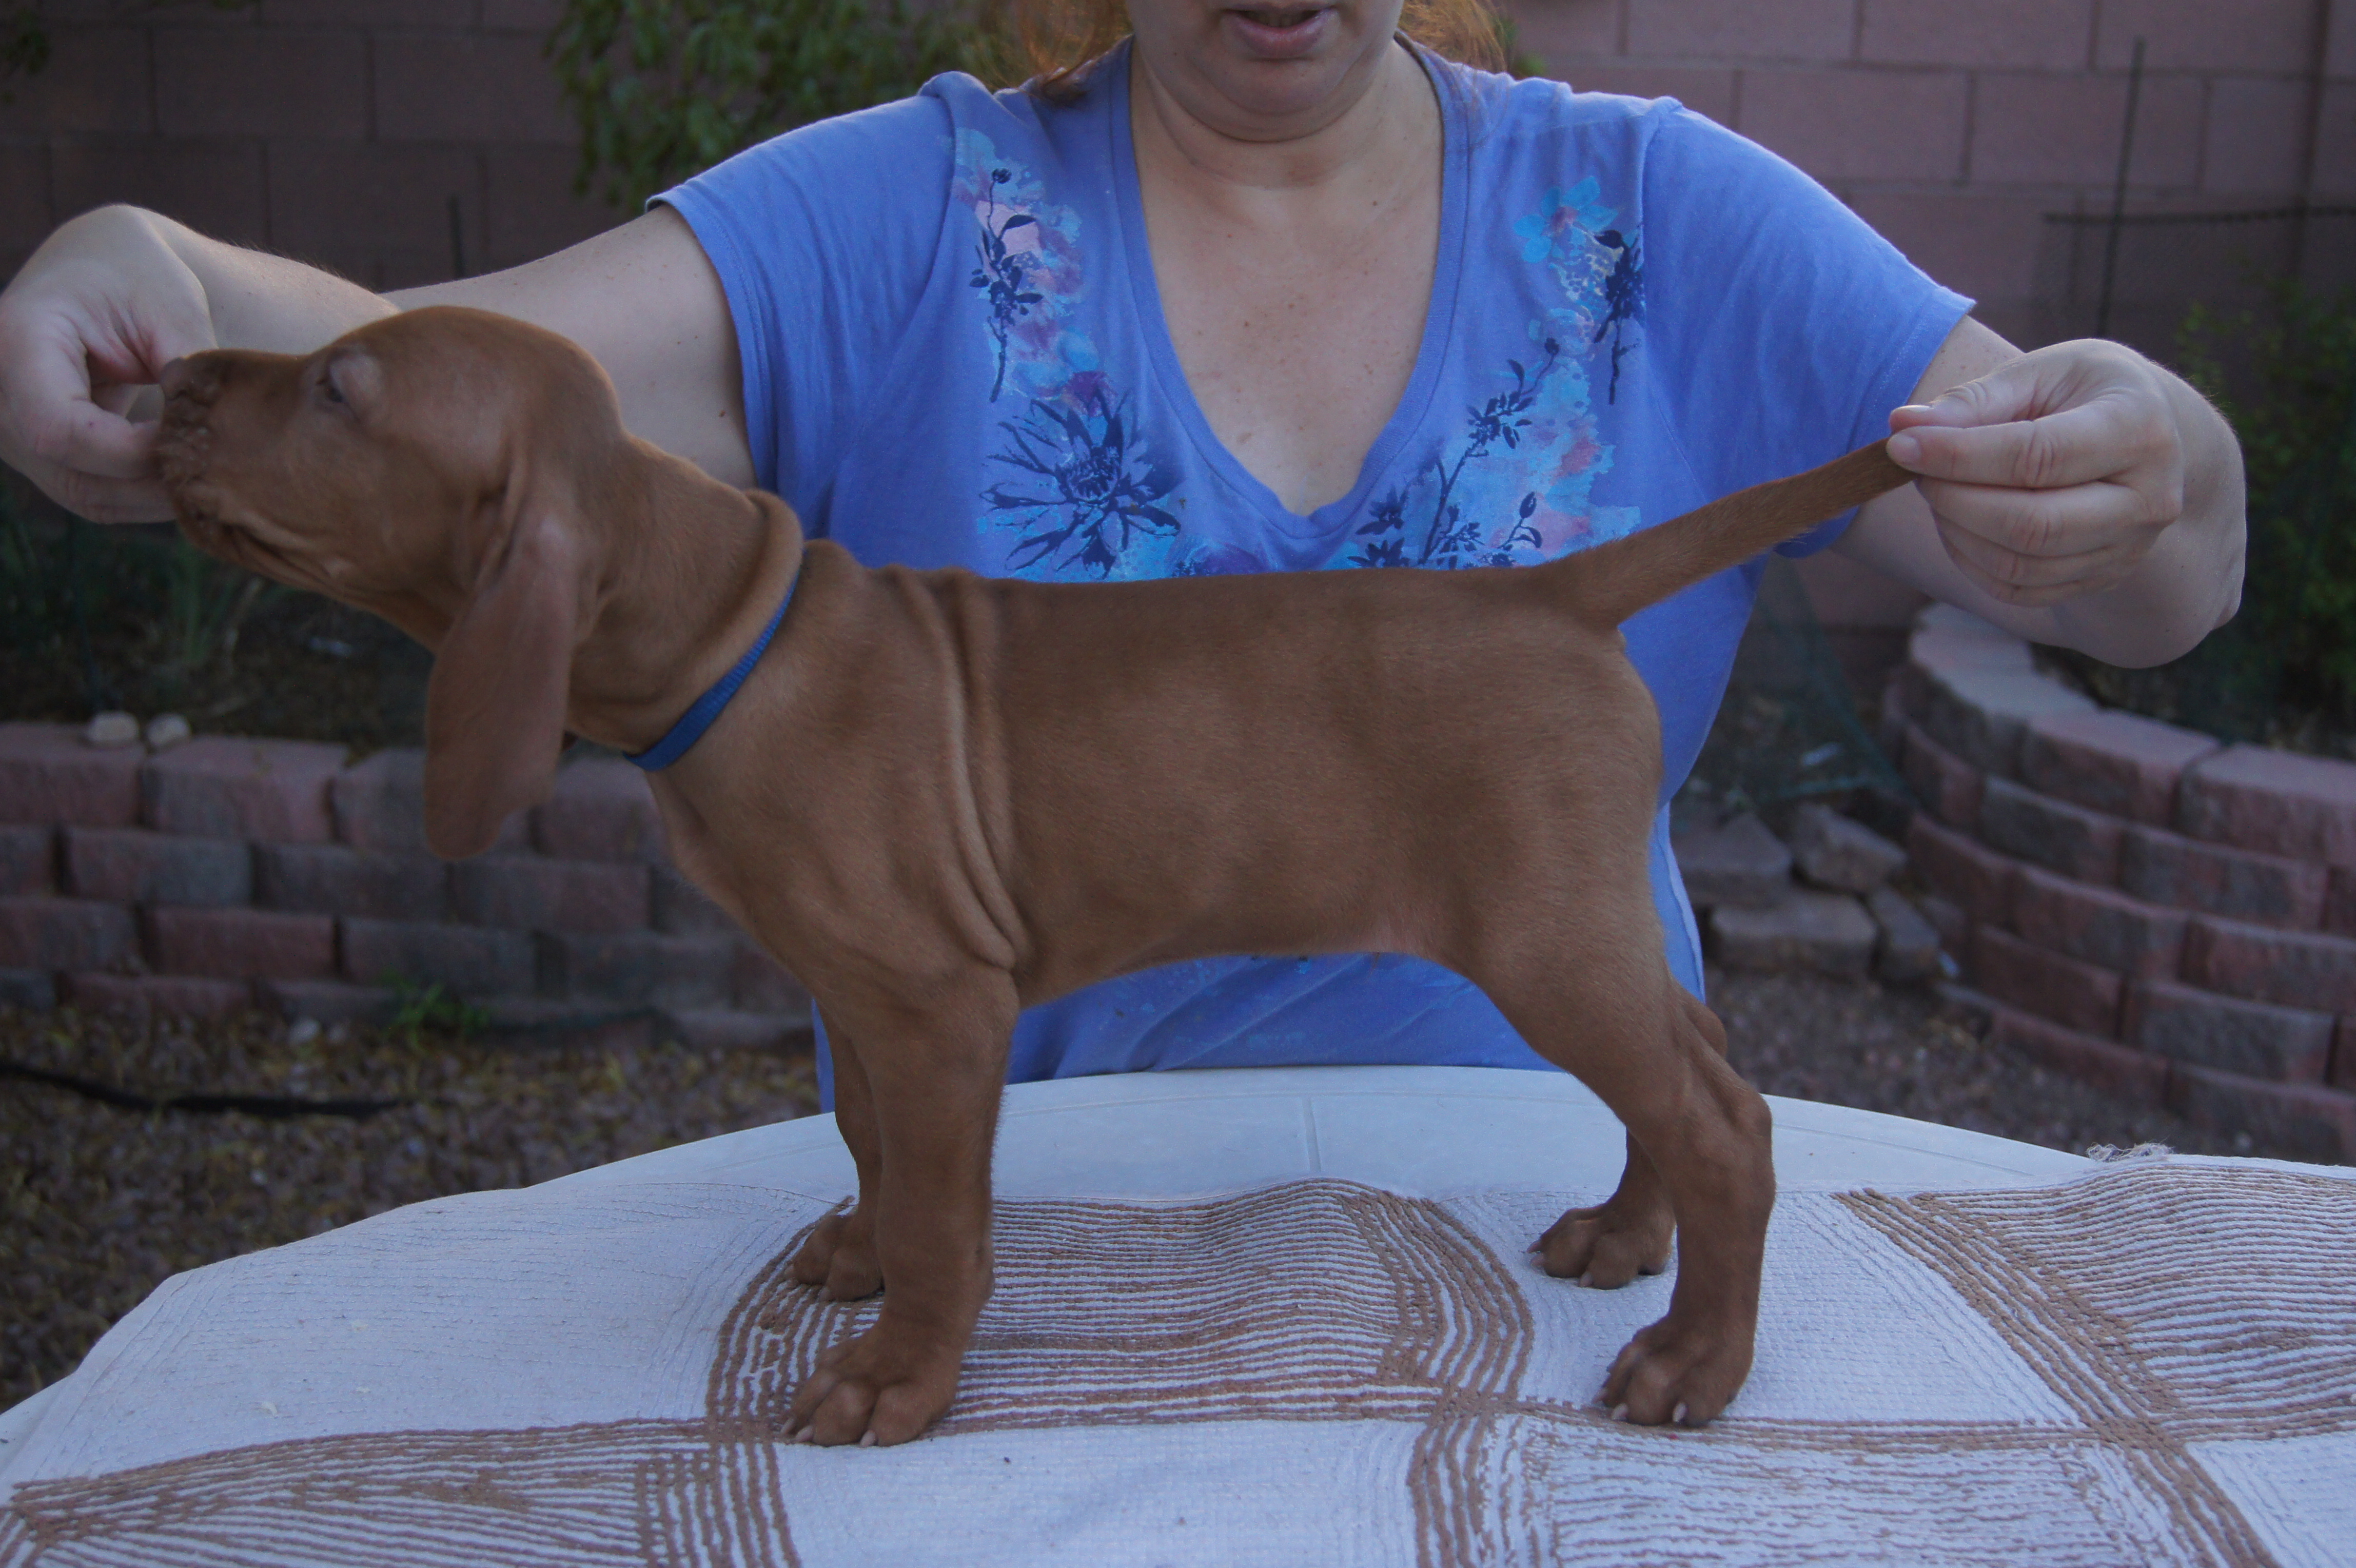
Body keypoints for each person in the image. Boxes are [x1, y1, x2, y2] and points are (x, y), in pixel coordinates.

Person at [0, 0, 2242, 1109]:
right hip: (1045, 1252)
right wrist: (166, 285)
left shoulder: (1665, 215)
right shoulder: (900, 217)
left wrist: (2168, 462)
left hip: (1538, 1217)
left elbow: (2144, 586)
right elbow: (412, 373)